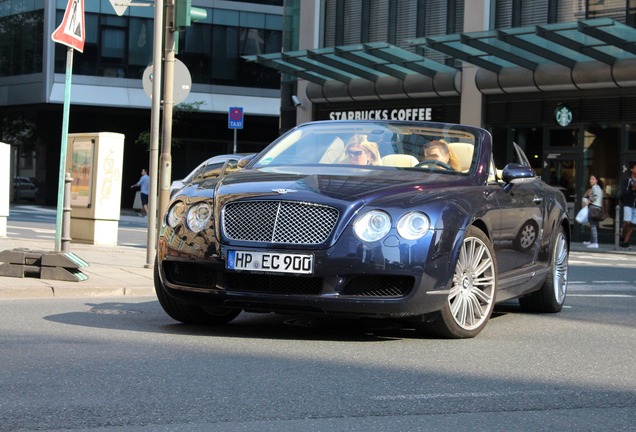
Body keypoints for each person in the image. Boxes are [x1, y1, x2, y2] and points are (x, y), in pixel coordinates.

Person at [619, 162, 636, 248]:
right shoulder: (627, 180)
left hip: (635, 205)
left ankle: (626, 241)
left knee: (633, 224)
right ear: (632, 170)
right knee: (627, 222)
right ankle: (622, 237)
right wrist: (632, 189)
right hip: (628, 204)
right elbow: (624, 192)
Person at [584, 175, 603, 249]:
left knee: (593, 226)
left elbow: (594, 197)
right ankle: (592, 241)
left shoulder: (595, 188)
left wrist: (588, 200)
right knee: (593, 225)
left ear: (596, 180)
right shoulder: (598, 188)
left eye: (593, 179)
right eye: (590, 179)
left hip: (594, 208)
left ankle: (595, 242)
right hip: (597, 208)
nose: (591, 180)